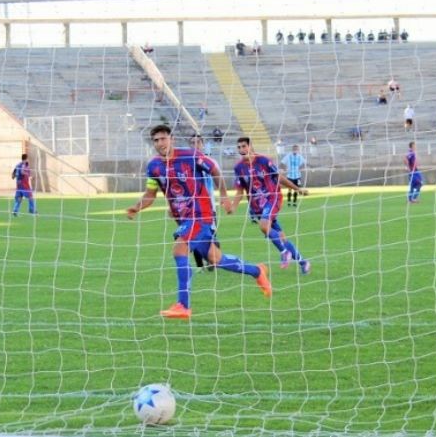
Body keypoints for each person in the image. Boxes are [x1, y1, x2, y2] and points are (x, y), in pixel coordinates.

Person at [126, 125, 272, 320]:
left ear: (172, 139)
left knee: (179, 249)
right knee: (216, 259)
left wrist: (223, 196)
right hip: (184, 218)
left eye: (163, 139)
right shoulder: (153, 166)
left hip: (201, 215)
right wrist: (137, 207)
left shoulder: (190, 156)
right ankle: (257, 271)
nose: (160, 143)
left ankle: (183, 305)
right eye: (156, 140)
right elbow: (150, 194)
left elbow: (215, 170)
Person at [231, 137, 311, 274]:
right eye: (239, 147)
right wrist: (233, 206)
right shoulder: (239, 168)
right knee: (280, 236)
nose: (241, 150)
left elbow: (279, 178)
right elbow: (240, 190)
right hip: (257, 206)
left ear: (250, 146)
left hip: (272, 198)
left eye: (244, 146)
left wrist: (298, 190)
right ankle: (303, 261)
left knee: (264, 226)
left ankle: (284, 252)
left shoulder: (263, 161)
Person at [188, 135, 217, 273]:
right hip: (191, 207)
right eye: (192, 143)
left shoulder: (210, 162)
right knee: (193, 235)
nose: (195, 145)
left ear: (203, 144)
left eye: (198, 142)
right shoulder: (186, 163)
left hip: (209, 206)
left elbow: (218, 177)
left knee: (211, 235)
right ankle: (200, 266)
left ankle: (212, 260)